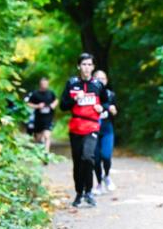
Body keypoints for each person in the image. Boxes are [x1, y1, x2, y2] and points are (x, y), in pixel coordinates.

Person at [60, 53, 107, 208]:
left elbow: (107, 103)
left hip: (92, 127)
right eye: (84, 64)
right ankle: (79, 192)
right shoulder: (72, 84)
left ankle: (89, 191)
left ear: (93, 67)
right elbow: (63, 106)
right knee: (78, 161)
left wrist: (102, 108)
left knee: (88, 157)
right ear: (79, 66)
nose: (87, 68)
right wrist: (75, 99)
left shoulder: (98, 85)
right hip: (75, 128)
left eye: (89, 65)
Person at [92, 70, 118, 194]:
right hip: (93, 130)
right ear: (93, 80)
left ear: (106, 81)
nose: (101, 81)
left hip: (107, 129)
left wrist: (113, 110)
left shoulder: (111, 94)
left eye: (103, 78)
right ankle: (98, 184)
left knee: (106, 156)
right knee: (96, 159)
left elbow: (115, 111)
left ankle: (106, 176)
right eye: (98, 78)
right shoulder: (90, 95)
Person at [24, 76, 58, 155]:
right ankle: (39, 152)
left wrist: (53, 105)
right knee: (38, 138)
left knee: (47, 135)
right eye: (43, 83)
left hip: (48, 118)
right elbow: (28, 104)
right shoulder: (35, 94)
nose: (44, 85)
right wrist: (37, 106)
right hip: (38, 118)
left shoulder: (51, 93)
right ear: (40, 84)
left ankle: (46, 153)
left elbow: (56, 100)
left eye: (46, 83)